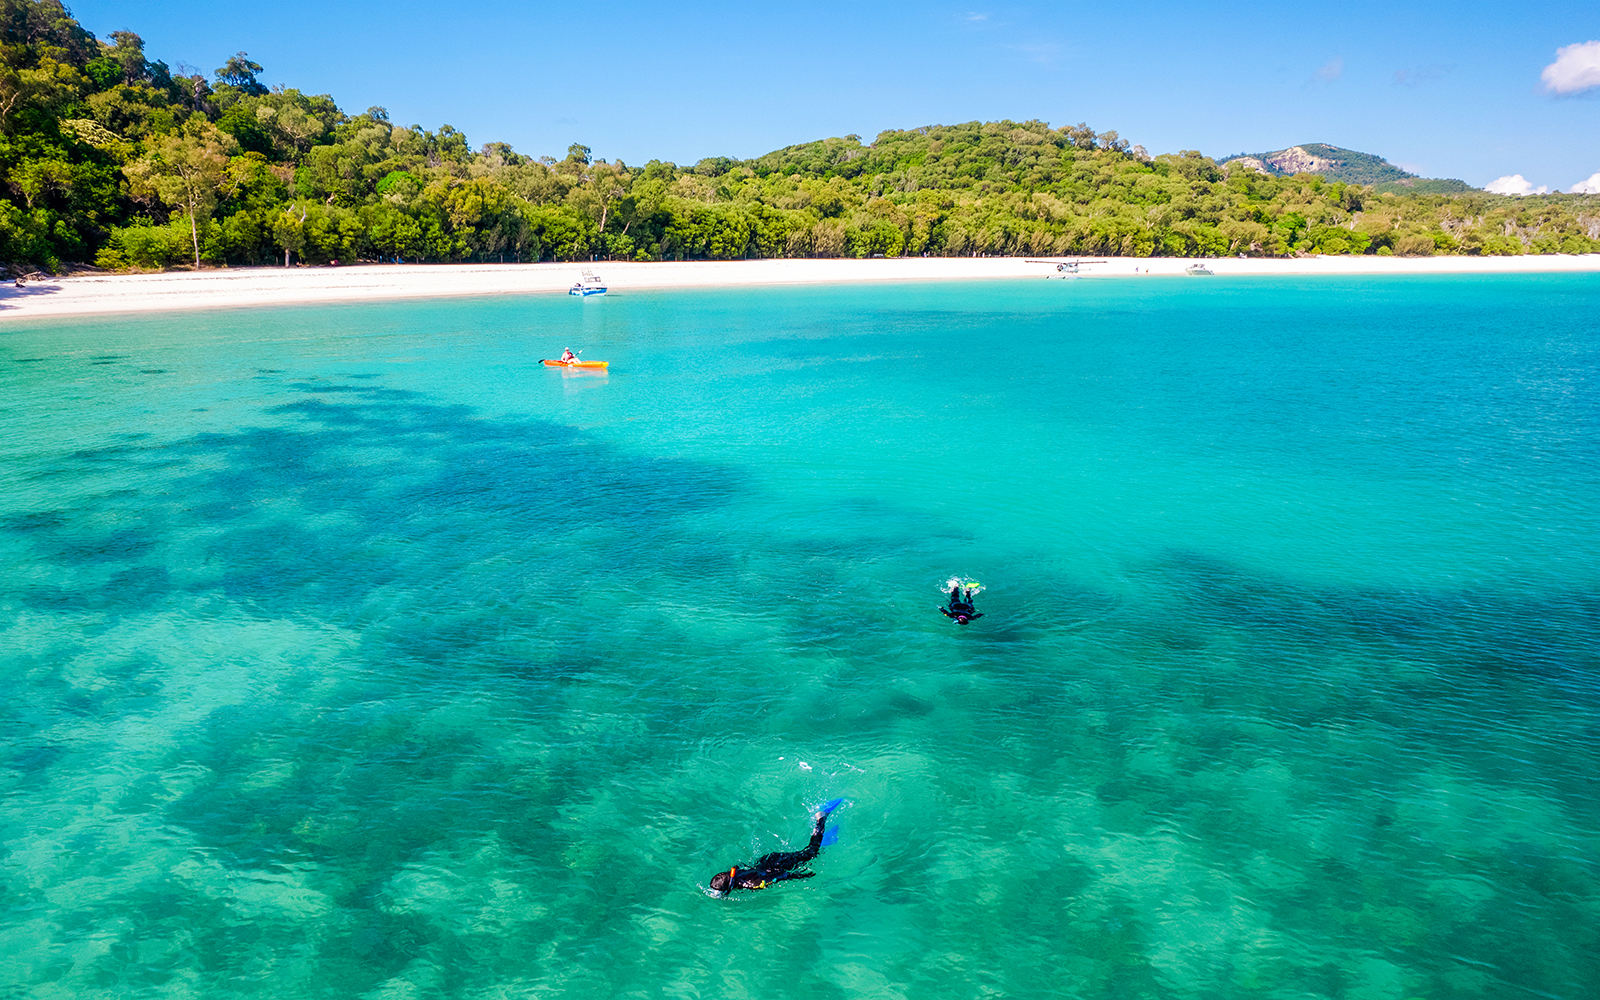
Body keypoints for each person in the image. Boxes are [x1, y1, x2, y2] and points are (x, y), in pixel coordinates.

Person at [709, 800, 842, 895]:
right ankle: (825, 841)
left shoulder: (752, 884)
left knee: (811, 852)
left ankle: (821, 818)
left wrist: (799, 876)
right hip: (767, 860)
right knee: (803, 853)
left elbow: (780, 875)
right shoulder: (735, 872)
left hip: (778, 865)